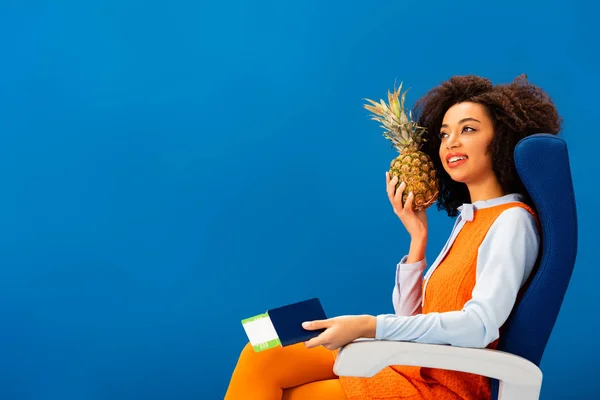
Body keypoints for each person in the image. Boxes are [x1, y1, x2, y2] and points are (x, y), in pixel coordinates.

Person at [224, 74, 562, 400]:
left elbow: (478, 326)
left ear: (501, 139)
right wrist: (418, 238)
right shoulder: (471, 219)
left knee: (296, 395)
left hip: (440, 386)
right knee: (260, 349)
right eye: (444, 134)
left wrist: (369, 326)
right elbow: (411, 318)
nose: (451, 143)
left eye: (468, 130)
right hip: (412, 366)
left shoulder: (511, 221)